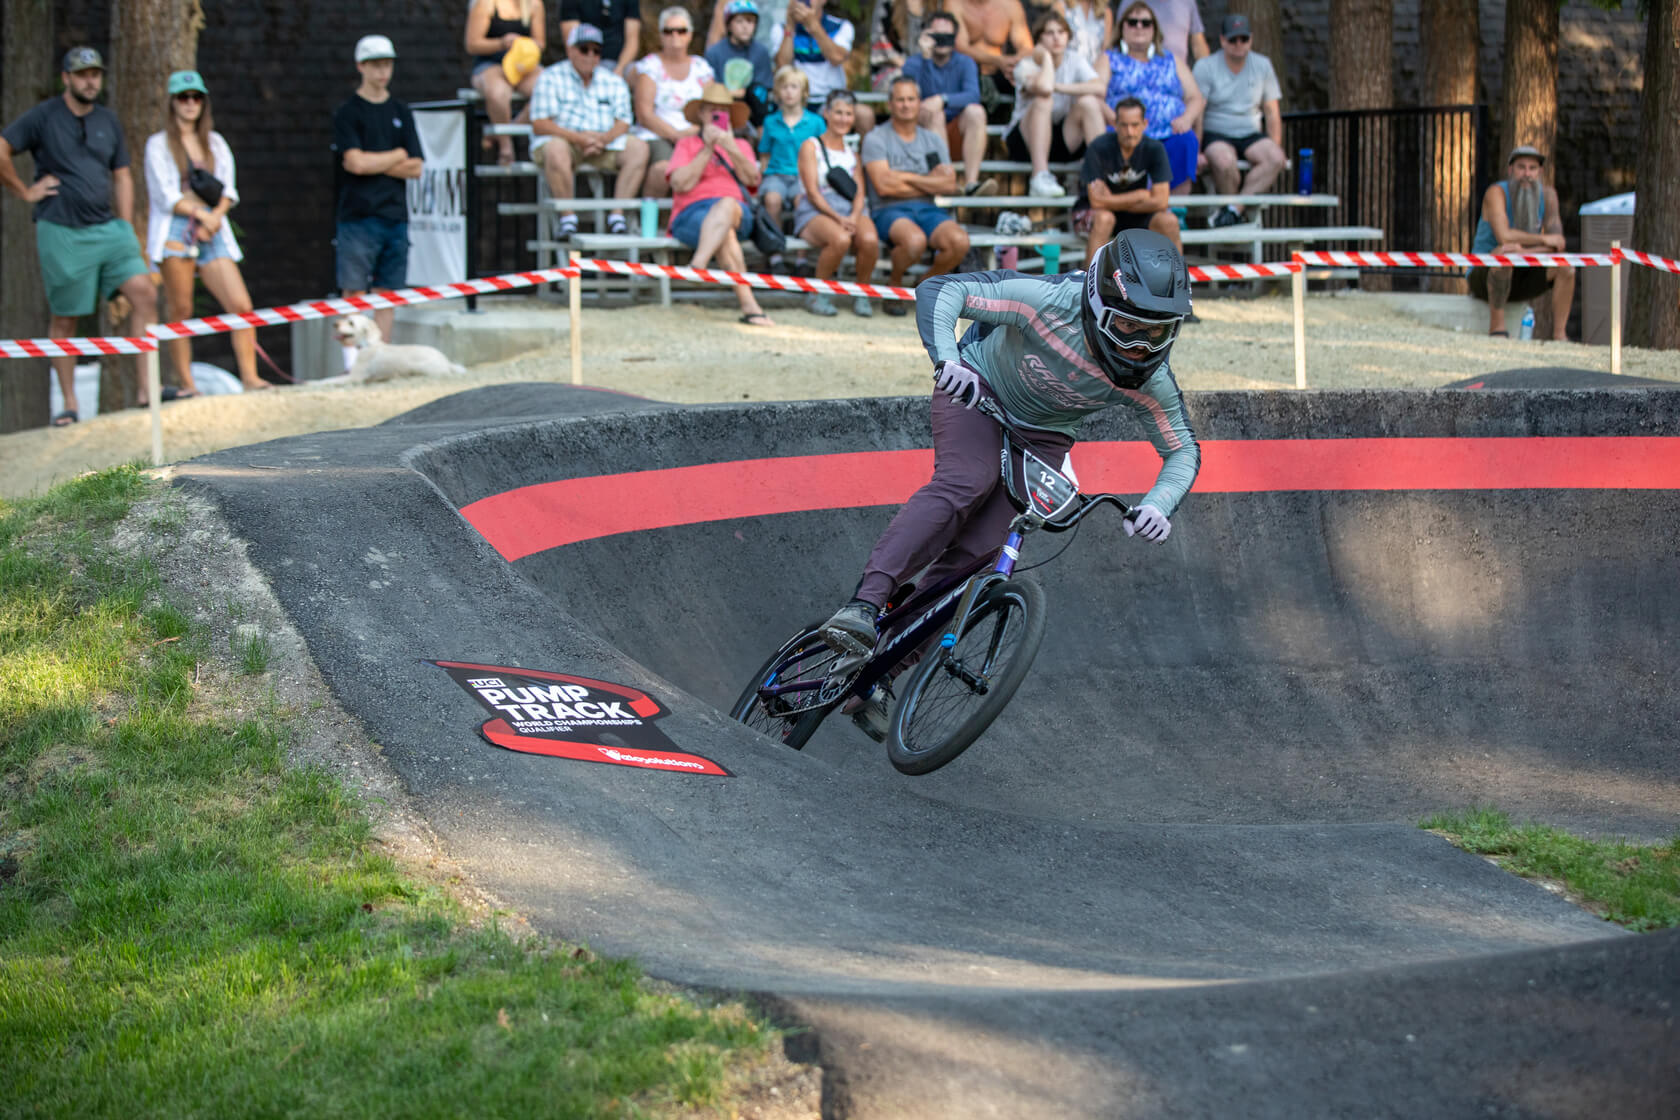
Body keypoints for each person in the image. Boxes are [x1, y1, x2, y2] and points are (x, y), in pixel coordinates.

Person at [814, 227, 1199, 735]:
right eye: (1129, 326)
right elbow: (940, 290)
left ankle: (882, 674)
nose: (1139, 346)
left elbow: (1182, 451)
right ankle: (864, 605)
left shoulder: (1150, 381)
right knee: (967, 482)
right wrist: (947, 359)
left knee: (983, 555)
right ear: (1097, 303)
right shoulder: (1047, 302)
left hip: (1043, 437)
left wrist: (1158, 504)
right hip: (978, 388)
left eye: (1157, 332)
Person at [0, 46, 159, 425]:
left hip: (109, 228)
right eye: (83, 74)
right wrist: (24, 192)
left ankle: (145, 391)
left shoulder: (108, 119)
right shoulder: (43, 116)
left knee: (145, 293)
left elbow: (121, 174)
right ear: (67, 78)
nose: (91, 80)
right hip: (62, 230)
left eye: (95, 74)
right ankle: (69, 405)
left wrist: (125, 225)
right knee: (66, 318)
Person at [143, 71, 267, 397]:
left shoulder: (215, 142)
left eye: (196, 97)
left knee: (240, 303)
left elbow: (229, 187)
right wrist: (200, 214)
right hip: (177, 228)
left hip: (214, 227)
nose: (190, 104)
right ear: (172, 103)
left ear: (203, 102)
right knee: (181, 309)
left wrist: (214, 218)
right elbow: (164, 194)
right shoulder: (158, 144)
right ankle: (188, 384)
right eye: (183, 98)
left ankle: (251, 378)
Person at [333, 35, 424, 346]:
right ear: (361, 66)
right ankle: (352, 361)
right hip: (358, 216)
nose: (382, 71)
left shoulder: (401, 110)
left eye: (387, 64)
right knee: (354, 290)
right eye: (375, 65)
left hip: (395, 214)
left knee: (389, 291)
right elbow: (354, 163)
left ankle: (380, 354)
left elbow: (416, 166)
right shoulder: (348, 113)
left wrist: (376, 161)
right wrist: (396, 155)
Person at [666, 83, 774, 326]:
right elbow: (680, 183)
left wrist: (730, 147)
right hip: (692, 214)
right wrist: (707, 149)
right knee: (725, 233)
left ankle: (698, 264)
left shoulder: (743, 146)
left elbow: (752, 179)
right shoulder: (687, 145)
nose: (716, 114)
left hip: (736, 212)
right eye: (712, 109)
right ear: (702, 113)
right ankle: (750, 307)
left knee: (726, 207)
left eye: (722, 110)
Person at [861, 76, 971, 312]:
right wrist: (928, 181)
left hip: (929, 209)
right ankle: (895, 285)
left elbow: (949, 183)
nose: (906, 104)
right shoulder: (876, 138)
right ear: (889, 104)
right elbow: (883, 186)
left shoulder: (932, 140)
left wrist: (905, 176)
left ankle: (924, 284)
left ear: (919, 102)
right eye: (900, 99)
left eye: (911, 99)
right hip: (888, 210)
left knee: (959, 242)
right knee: (914, 241)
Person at [530, 24, 649, 238]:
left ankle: (617, 216)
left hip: (603, 144)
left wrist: (603, 140)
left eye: (596, 51)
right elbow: (540, 123)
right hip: (566, 143)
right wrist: (578, 139)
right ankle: (567, 219)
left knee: (639, 148)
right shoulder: (550, 76)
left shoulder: (612, 80)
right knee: (555, 149)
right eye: (584, 49)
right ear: (570, 50)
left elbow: (624, 121)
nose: (590, 55)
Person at [1467, 145, 1573, 340]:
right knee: (1504, 255)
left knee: (1566, 266)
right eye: (1521, 167)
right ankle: (1497, 329)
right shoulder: (1496, 192)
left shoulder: (1549, 196)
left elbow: (1558, 244)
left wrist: (1522, 249)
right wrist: (1543, 240)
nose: (1527, 174)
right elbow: (1504, 237)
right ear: (1510, 170)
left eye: (1532, 168)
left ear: (1540, 172)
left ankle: (1560, 336)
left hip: (1524, 271)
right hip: (1484, 274)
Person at [1192, 12, 1284, 227]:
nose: (1238, 44)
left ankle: (1233, 210)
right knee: (1224, 161)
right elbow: (1197, 111)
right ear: (1223, 40)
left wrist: (1274, 143)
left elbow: (1272, 112)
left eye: (1244, 38)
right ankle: (1233, 213)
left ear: (1251, 39)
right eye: (1233, 39)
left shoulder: (1263, 65)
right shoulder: (1206, 66)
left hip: (1251, 131)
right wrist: (1195, 151)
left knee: (1276, 158)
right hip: (1217, 133)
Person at [793, 89, 879, 317]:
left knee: (869, 239)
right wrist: (838, 218)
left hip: (848, 209)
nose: (843, 119)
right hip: (817, 209)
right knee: (839, 239)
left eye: (848, 114)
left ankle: (862, 292)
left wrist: (853, 216)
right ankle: (817, 293)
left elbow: (859, 192)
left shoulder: (853, 154)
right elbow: (812, 191)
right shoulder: (810, 146)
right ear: (826, 114)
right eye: (838, 112)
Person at [1004, 10, 1108, 197]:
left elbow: (1100, 87)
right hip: (1024, 141)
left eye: (1061, 32)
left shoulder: (1074, 60)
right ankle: (1039, 176)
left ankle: (1099, 176)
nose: (1056, 38)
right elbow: (1044, 87)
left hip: (1060, 138)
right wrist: (1045, 59)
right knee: (1044, 100)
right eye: (1049, 33)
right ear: (1039, 39)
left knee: (1089, 102)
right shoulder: (1026, 64)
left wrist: (1060, 87)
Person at [1104, 1, 1202, 196]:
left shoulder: (1171, 59)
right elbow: (1096, 95)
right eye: (1132, 22)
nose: (1139, 27)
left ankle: (1176, 212)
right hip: (1127, 133)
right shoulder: (1109, 58)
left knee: (1186, 140)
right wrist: (1117, 122)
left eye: (1145, 23)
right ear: (1122, 27)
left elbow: (1195, 97)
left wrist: (1187, 119)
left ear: (1154, 29)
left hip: (1170, 131)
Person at [1074, 96, 1182, 261]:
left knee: (1169, 221)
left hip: (1136, 215)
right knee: (1104, 218)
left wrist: (1111, 199)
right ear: (1115, 124)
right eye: (1124, 125)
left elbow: (1161, 201)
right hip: (1096, 214)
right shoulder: (1098, 147)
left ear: (1144, 124)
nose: (1129, 132)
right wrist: (1140, 196)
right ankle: (1089, 283)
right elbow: (1096, 202)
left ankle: (1177, 283)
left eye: (1134, 125)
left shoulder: (1155, 149)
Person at [902, 9, 995, 197]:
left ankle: (971, 183)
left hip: (955, 133)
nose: (942, 40)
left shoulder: (965, 62)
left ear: (955, 37)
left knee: (976, 112)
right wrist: (927, 59)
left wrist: (942, 100)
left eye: (947, 35)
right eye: (937, 35)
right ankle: (946, 180)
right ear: (926, 35)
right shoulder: (913, 64)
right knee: (935, 115)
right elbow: (920, 98)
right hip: (923, 134)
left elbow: (973, 95)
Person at [632, 6, 715, 199]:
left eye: (681, 30)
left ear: (690, 35)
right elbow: (644, 114)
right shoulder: (650, 66)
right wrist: (676, 135)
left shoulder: (702, 67)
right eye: (669, 31)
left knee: (707, 168)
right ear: (661, 36)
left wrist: (694, 131)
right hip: (658, 135)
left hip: (696, 133)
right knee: (663, 170)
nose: (675, 35)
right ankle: (652, 224)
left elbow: (713, 107)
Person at [756, 65, 825, 264]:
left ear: (803, 92)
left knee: (801, 201)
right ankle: (776, 251)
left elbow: (822, 154)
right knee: (772, 199)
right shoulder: (770, 121)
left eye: (794, 87)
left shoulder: (816, 122)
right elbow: (765, 154)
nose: (789, 92)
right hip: (776, 173)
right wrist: (763, 177)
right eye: (784, 87)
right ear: (777, 91)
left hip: (804, 175)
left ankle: (800, 256)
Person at [465, 0, 546, 166]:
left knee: (548, 89)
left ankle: (505, 130)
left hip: (522, 65)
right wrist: (502, 43)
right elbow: (472, 44)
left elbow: (540, 43)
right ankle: (505, 146)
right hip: (490, 64)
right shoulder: (484, 4)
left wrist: (522, 45)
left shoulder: (534, 4)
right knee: (497, 93)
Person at [705, 0, 776, 123]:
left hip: (752, 109)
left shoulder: (761, 52)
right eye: (739, 21)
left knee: (759, 94)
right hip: (722, 105)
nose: (745, 27)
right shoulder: (714, 52)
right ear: (729, 25)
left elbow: (762, 89)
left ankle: (761, 136)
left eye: (750, 21)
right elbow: (711, 89)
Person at [951, 0, 1032, 95]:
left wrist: (1015, 62)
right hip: (967, 72)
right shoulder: (955, 3)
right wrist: (999, 61)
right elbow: (960, 47)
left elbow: (1026, 47)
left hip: (1002, 73)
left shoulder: (1010, 5)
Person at [560, 0, 643, 73]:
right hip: (587, 59)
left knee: (643, 73)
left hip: (620, 63)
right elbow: (572, 40)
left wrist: (620, 68)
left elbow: (632, 40)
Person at [1064, 0, 1114, 66]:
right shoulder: (1062, 6)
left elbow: (1106, 50)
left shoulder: (1106, 13)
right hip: (1068, 68)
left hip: (1096, 72)